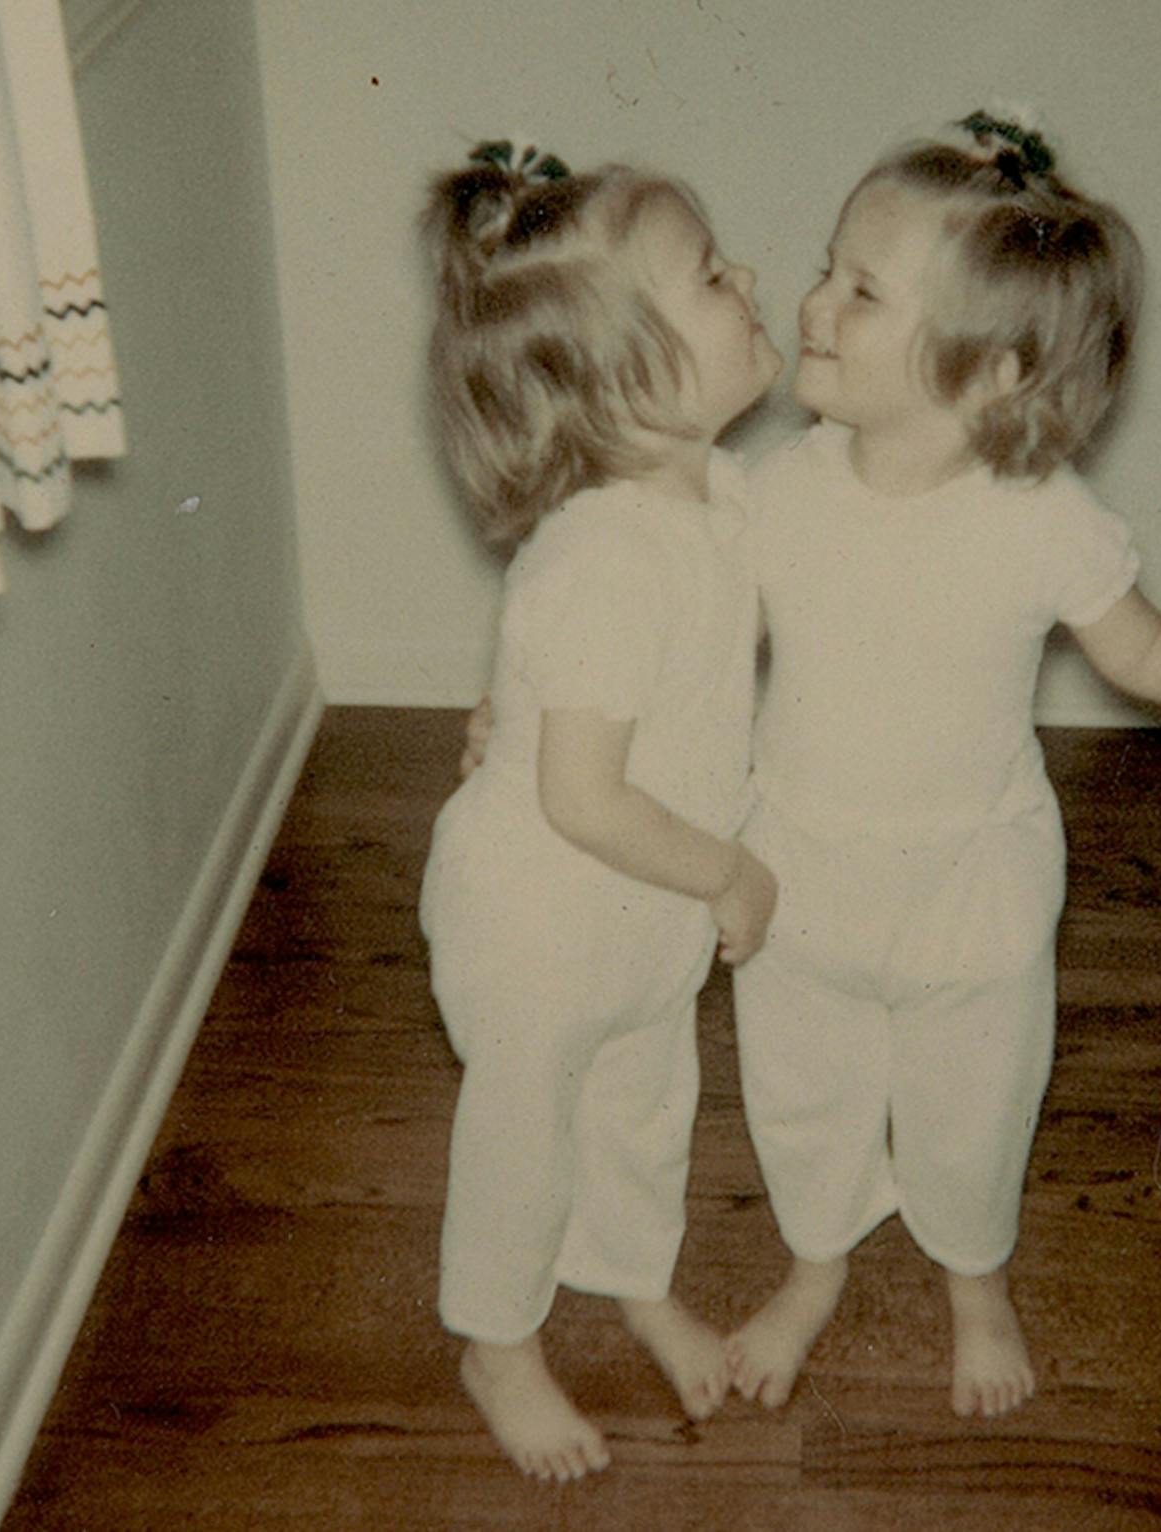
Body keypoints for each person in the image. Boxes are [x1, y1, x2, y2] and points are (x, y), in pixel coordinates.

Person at [720, 112, 1161, 1420]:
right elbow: (686, 646)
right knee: (801, 1089)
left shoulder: (1041, 521)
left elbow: (1142, 649)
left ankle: (976, 1278)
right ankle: (813, 1261)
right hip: (797, 868)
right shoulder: (770, 493)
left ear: (992, 371)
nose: (811, 304)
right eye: (827, 268)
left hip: (970, 884)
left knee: (973, 1104)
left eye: (862, 290)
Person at [415, 139, 784, 1482]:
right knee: (527, 1121)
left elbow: (590, 675)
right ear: (621, 373)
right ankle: (495, 1345)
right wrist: (731, 874)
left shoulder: (715, 495)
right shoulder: (605, 553)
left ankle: (629, 1280)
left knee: (642, 1099)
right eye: (707, 274)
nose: (747, 278)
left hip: (638, 906)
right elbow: (580, 795)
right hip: (541, 913)